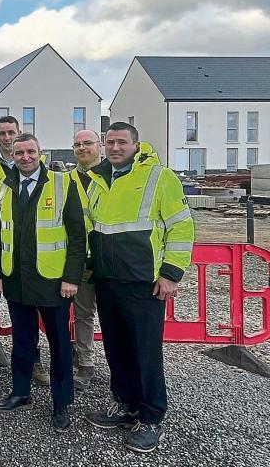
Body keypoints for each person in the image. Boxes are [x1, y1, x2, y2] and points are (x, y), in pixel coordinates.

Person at [84, 122, 194, 453]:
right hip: (107, 280)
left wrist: (172, 273)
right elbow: (94, 229)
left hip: (144, 282)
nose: (115, 148)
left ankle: (151, 418)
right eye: (110, 142)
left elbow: (181, 226)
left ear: (136, 145)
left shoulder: (160, 177)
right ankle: (127, 405)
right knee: (116, 348)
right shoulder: (98, 181)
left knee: (145, 352)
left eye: (122, 142)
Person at [0, 134, 86, 432]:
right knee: (22, 341)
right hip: (16, 279)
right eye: (19, 152)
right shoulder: (4, 187)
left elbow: (77, 236)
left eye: (31, 151)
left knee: (58, 345)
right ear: (12, 155)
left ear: (41, 153)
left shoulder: (62, 184)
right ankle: (21, 392)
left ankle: (61, 403)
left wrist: (71, 277)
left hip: (53, 282)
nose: (25, 157)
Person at [0, 116, 49, 386]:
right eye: (2, 133)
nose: (6, 137)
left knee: (29, 304)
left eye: (11, 132)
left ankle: (34, 358)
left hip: (25, 244)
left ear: (19, 134)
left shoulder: (31, 160)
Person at [69, 129, 102, 389]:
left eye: (87, 143)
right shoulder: (66, 180)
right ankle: (86, 362)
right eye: (78, 144)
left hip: (112, 259)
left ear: (98, 145)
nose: (82, 148)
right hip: (82, 259)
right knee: (83, 314)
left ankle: (122, 366)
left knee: (117, 316)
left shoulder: (115, 177)